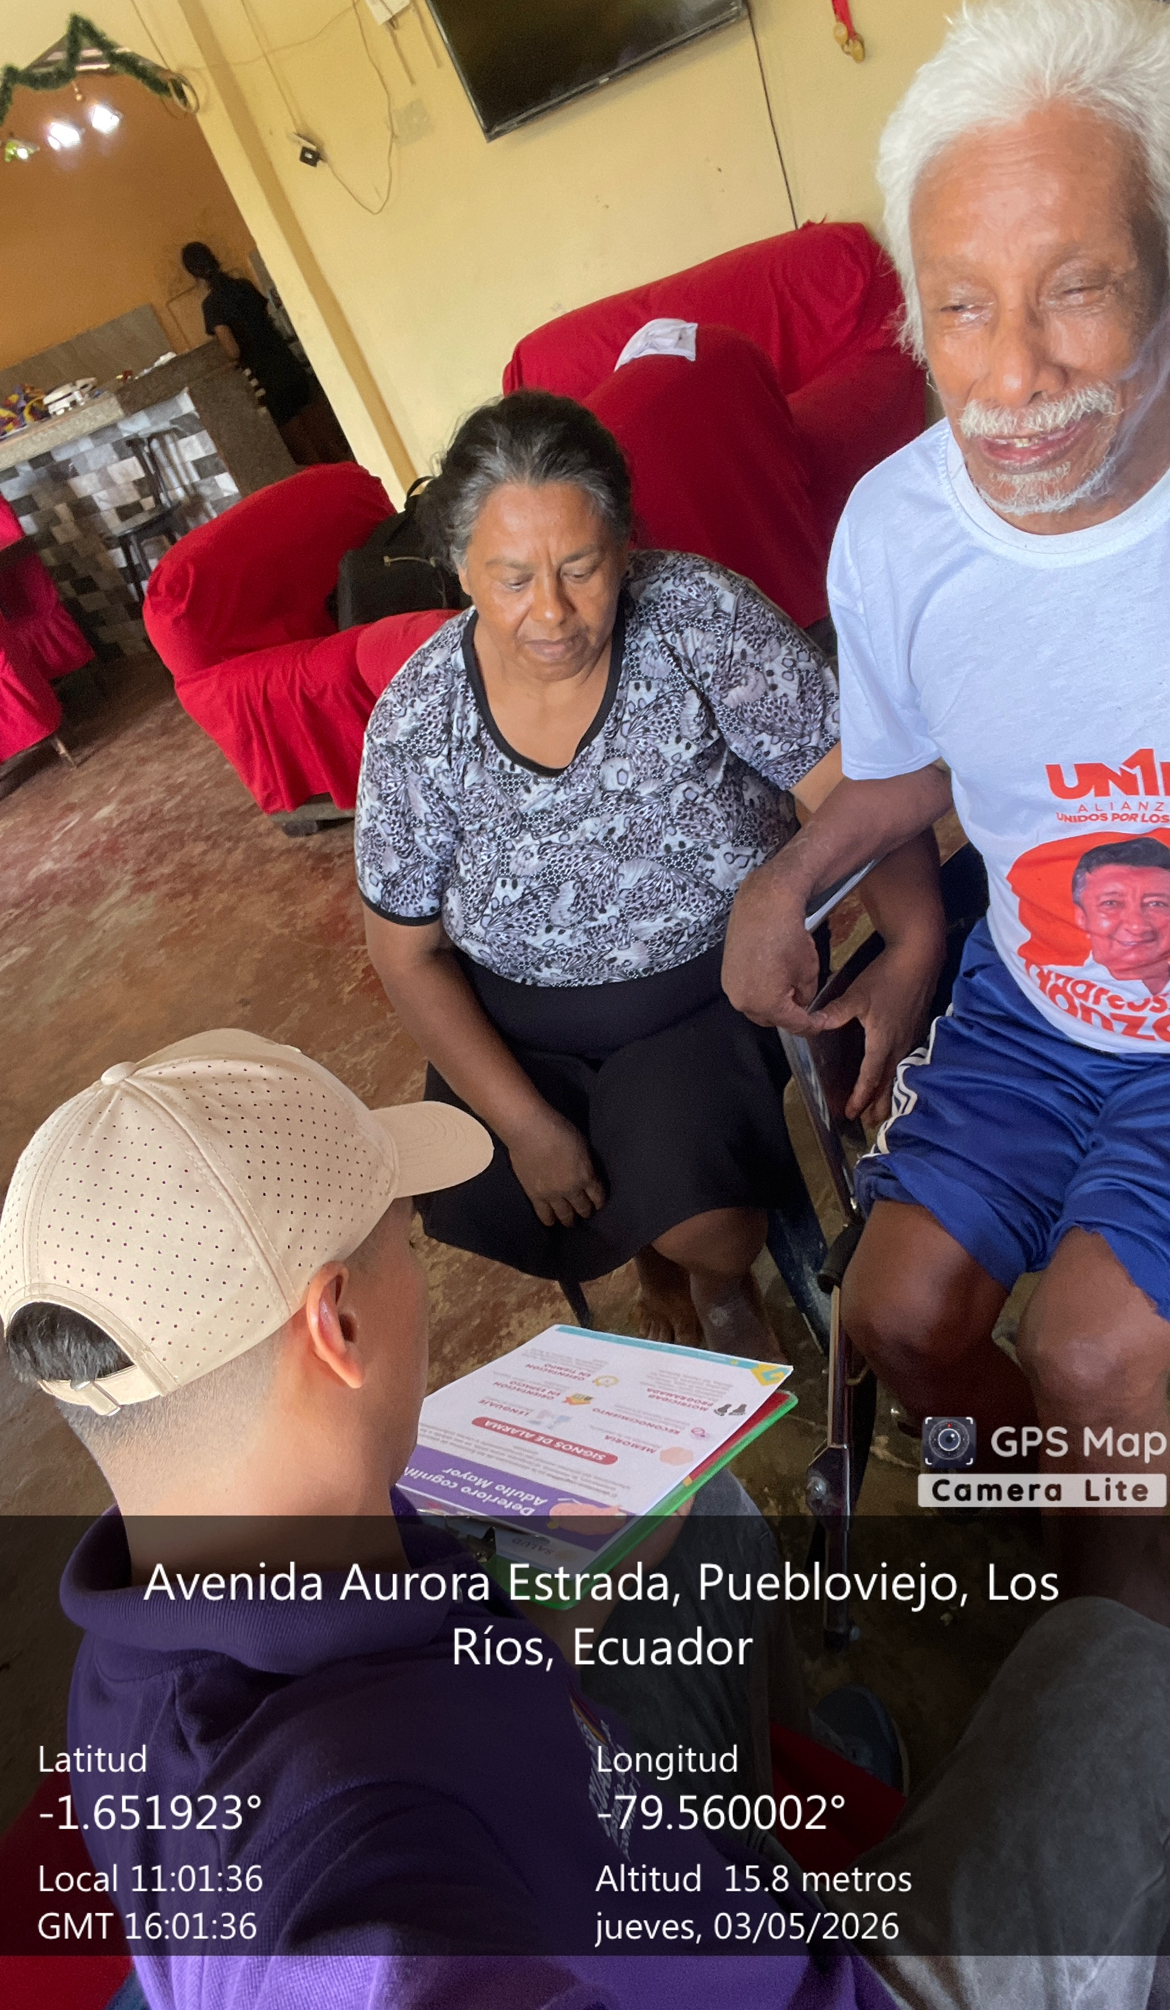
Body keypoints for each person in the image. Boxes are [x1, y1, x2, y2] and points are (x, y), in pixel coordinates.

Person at [2, 1033, 1169, 2010]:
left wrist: (563, 1601)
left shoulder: (162, 1611)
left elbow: (430, 1680)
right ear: (337, 1327)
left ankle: (782, 1807)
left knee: (704, 1519)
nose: (416, 1275)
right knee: (1119, 1661)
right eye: (403, 1245)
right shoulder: (353, 1878)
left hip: (622, 1866)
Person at [721, 0, 1170, 1509]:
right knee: (897, 1318)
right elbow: (923, 761)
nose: (1015, 376)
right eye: (962, 307)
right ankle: (1065, 1520)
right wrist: (792, 873)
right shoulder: (896, 535)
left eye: (1077, 288)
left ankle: (1114, 1586)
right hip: (1038, 1001)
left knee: (1095, 1350)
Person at [355, 390, 944, 1352]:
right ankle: (650, 1252)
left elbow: (861, 786)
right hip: (519, 1031)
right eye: (513, 579)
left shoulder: (696, 619)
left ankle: (708, 1273)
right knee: (558, 1181)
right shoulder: (420, 723)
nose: (552, 611)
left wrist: (914, 945)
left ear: (623, 545)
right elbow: (405, 952)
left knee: (710, 1224)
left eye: (581, 567)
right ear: (461, 569)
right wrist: (523, 1125)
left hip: (701, 996)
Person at [179, 242, 352, 465]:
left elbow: (233, 350)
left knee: (305, 454)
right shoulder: (244, 285)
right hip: (288, 364)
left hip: (267, 380)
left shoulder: (212, 306)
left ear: (194, 273)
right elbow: (265, 317)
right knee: (327, 440)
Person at [1068, 836, 1170, 995]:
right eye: (1111, 903)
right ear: (1082, 917)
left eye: (1156, 904)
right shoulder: (1044, 984)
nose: (1136, 926)